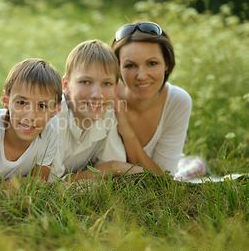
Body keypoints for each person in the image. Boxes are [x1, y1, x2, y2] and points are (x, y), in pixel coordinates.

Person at [50, 40, 142, 181]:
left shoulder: (108, 114)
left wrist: (113, 167)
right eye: (85, 82)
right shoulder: (54, 117)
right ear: (66, 85)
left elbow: (112, 177)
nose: (97, 95)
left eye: (106, 83)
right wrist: (114, 166)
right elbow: (50, 184)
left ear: (115, 89)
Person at [110, 21, 192, 175]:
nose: (141, 76)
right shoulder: (102, 96)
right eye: (130, 65)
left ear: (166, 63)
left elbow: (164, 179)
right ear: (117, 67)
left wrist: (126, 131)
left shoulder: (177, 101)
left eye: (152, 63)